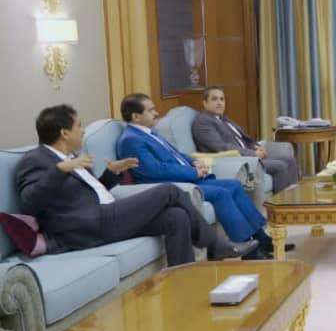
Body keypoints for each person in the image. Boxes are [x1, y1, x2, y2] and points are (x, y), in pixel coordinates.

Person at [15, 105, 256, 266]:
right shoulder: (35, 160)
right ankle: (216, 245)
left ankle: (183, 281)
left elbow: (91, 193)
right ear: (64, 133)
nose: (83, 131)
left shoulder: (71, 157)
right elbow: (29, 202)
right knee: (169, 191)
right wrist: (60, 170)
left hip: (103, 215)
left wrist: (111, 174)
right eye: (79, 126)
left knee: (176, 217)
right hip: (87, 226)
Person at [116, 94, 287, 259]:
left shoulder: (148, 133)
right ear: (136, 116)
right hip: (170, 185)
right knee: (221, 193)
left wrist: (194, 161)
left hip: (185, 177)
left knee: (234, 185)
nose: (156, 113)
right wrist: (193, 172)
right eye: (150, 110)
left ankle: (262, 239)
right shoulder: (131, 140)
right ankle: (247, 249)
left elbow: (175, 154)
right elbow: (154, 170)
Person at [192, 86, 299, 193]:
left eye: (222, 99)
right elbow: (221, 147)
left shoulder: (223, 119)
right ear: (205, 103)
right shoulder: (203, 122)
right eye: (214, 99)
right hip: (236, 160)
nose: (219, 103)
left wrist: (256, 147)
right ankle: (282, 202)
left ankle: (294, 198)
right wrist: (253, 153)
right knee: (280, 166)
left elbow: (244, 138)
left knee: (290, 160)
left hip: (248, 155)